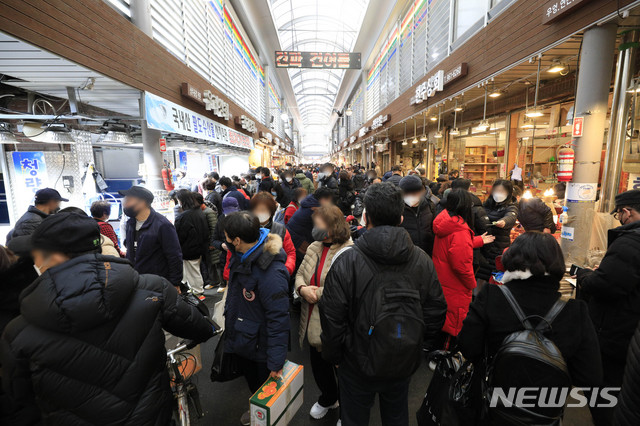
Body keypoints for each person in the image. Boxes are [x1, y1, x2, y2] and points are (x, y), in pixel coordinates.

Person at [0, 212, 215, 425]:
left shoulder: (18, 331)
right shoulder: (152, 288)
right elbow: (199, 327)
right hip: (151, 416)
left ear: (55, 256)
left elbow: (19, 404)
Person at [319, 183, 447, 426]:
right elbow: (435, 309)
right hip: (403, 357)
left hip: (356, 363)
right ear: (401, 217)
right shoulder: (421, 259)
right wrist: (416, 344)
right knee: (396, 414)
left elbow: (332, 316)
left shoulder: (348, 261)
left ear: (365, 217)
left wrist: (336, 355)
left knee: (354, 418)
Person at [458, 232, 602, 424]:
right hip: (544, 414)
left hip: (494, 409)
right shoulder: (575, 312)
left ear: (512, 260)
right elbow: (590, 376)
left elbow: (468, 346)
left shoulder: (491, 297)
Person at [576, 189, 640, 425]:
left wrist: (584, 276)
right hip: (630, 328)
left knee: (604, 389)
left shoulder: (630, 244)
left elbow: (605, 285)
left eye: (618, 214)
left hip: (616, 330)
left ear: (626, 212)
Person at [223, 211, 289, 425]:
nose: (225, 242)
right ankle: (258, 412)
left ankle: (264, 418)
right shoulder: (243, 255)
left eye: (227, 238)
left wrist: (276, 361)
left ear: (237, 240)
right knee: (254, 387)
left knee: (266, 392)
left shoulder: (270, 272)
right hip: (245, 339)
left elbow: (279, 318)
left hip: (260, 348)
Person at [295, 205, 352, 420]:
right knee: (319, 367)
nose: (314, 229)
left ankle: (346, 412)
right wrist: (301, 288)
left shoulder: (348, 251)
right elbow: (300, 273)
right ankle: (329, 398)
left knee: (342, 370)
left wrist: (315, 293)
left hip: (334, 323)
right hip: (310, 318)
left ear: (331, 226)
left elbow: (345, 288)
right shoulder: (313, 247)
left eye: (318, 224)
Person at [432, 189, 494, 349]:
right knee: (453, 323)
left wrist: (478, 240)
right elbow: (460, 264)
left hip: (443, 279)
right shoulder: (459, 229)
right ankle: (443, 359)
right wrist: (471, 283)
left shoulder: (446, 219)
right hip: (455, 284)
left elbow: (453, 246)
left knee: (444, 319)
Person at [120, 185, 183, 289]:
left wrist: (175, 283)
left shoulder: (162, 225)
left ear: (142, 202)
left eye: (129, 199)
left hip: (157, 284)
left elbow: (174, 256)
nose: (125, 203)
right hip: (137, 282)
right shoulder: (130, 223)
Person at [477, 179, 518, 282]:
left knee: (492, 276)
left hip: (497, 247)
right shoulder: (487, 204)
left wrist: (503, 222)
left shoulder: (511, 206)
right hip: (483, 246)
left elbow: (510, 217)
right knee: (480, 275)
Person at [248, 192, 295, 276]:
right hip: (251, 277)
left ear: (271, 211)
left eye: (263, 210)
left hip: (277, 275)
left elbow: (290, 253)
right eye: (256, 210)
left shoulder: (280, 229)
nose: (259, 213)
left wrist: (286, 269)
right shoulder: (246, 228)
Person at [174, 189, 209, 299]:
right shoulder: (198, 211)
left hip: (188, 249)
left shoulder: (183, 216)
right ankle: (196, 290)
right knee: (194, 270)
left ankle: (198, 292)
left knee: (192, 272)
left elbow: (179, 236)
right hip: (199, 246)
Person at [287, 187, 335, 263]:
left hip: (294, 236)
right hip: (298, 240)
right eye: (329, 200)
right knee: (307, 262)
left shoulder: (310, 202)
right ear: (323, 199)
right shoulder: (314, 209)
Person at [399, 175, 436, 256]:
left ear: (421, 191)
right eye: (407, 193)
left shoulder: (429, 205)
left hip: (427, 253)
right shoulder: (397, 208)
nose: (411, 196)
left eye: (414, 193)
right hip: (405, 255)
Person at [194, 192, 221, 289]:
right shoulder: (201, 212)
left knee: (216, 263)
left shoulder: (209, 212)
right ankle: (214, 281)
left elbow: (214, 228)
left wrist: (212, 242)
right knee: (210, 263)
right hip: (206, 243)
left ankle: (222, 283)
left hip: (212, 243)